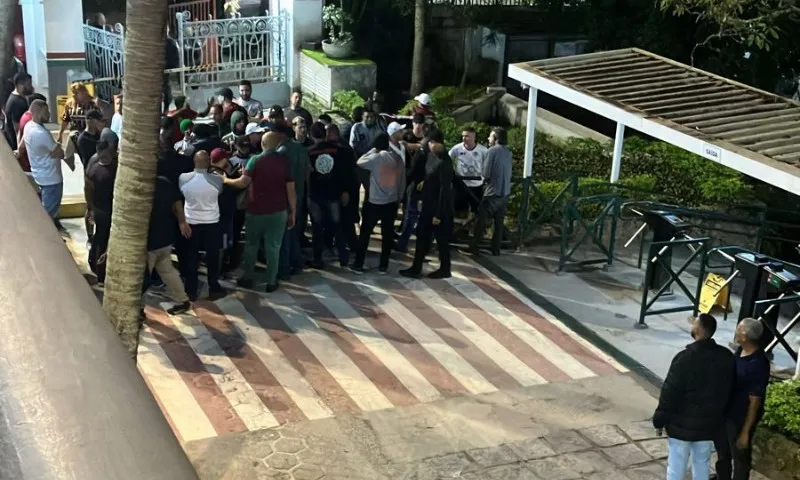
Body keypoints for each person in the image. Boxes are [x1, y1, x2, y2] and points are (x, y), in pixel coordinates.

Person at [652, 313, 735, 480]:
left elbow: (670, 394)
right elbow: (729, 390)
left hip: (680, 426)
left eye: (694, 323)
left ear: (698, 329)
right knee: (701, 464)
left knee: (676, 466)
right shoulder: (726, 357)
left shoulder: (684, 359)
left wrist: (659, 420)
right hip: (709, 425)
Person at [224, 132, 297, 292]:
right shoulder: (284, 161)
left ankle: (248, 277)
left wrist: (225, 180)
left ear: (263, 144)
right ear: (275, 145)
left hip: (255, 211)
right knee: (273, 247)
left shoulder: (254, 160)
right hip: (278, 212)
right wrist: (293, 212)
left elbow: (243, 182)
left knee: (251, 245)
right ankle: (271, 281)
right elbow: (290, 189)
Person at [713, 318, 771, 480]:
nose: (736, 331)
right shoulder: (740, 351)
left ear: (745, 336)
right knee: (722, 451)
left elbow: (755, 401)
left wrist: (745, 432)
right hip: (727, 410)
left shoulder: (758, 364)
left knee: (739, 456)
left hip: (740, 417)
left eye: (738, 329)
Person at [351, 133, 405, 274]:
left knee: (365, 234)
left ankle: (358, 264)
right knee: (387, 235)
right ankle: (383, 265)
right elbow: (402, 181)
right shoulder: (398, 159)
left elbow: (359, 162)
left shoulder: (375, 158)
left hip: (374, 201)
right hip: (391, 201)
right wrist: (399, 198)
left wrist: (373, 150)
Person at [146, 158, 193, 315]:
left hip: (149, 241)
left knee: (141, 278)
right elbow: (177, 203)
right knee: (168, 271)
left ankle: (137, 309)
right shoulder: (166, 183)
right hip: (166, 238)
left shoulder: (143, 187)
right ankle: (182, 300)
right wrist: (182, 222)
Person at [179, 150, 226, 301]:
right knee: (212, 257)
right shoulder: (216, 180)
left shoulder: (183, 178)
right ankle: (214, 287)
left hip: (191, 222)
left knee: (192, 257)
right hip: (211, 222)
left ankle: (191, 289)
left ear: (194, 161)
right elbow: (219, 192)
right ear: (208, 162)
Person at [307, 122, 355, 269]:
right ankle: (343, 256)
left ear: (312, 135)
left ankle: (318, 259)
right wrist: (344, 190)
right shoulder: (337, 150)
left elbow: (307, 173)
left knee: (317, 227)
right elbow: (343, 172)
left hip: (315, 194)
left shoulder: (308, 152)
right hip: (333, 192)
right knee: (336, 225)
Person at [23, 100, 73, 224]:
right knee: (48, 216)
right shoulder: (40, 133)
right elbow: (60, 153)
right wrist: (58, 145)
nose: (49, 114)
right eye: (46, 111)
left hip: (40, 175)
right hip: (51, 179)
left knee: (46, 212)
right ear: (38, 111)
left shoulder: (29, 126)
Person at [470, 127, 512, 256]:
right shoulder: (508, 152)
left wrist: (484, 181)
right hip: (505, 191)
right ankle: (495, 248)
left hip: (493, 191)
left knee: (481, 219)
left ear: (496, 138)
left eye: (490, 136)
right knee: (498, 223)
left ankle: (475, 247)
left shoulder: (492, 151)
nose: (488, 138)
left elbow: (486, 172)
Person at [84, 128, 119, 282]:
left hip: (111, 207)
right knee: (102, 239)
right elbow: (88, 189)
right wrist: (90, 208)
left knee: (103, 238)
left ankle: (98, 267)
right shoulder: (98, 167)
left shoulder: (112, 163)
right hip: (102, 209)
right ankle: (100, 270)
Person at [276, 123, 309, 279]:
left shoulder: (281, 151)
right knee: (295, 231)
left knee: (284, 235)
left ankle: (286, 266)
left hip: (285, 196)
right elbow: (309, 172)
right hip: (300, 194)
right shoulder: (302, 149)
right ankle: (297, 263)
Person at [327, 123, 359, 250]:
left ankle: (352, 247)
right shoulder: (342, 147)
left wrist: (345, 190)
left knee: (345, 221)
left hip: (345, 189)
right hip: (342, 188)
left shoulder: (342, 149)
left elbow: (347, 172)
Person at [449, 127, 488, 214]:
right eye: (463, 136)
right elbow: (447, 159)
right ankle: (461, 226)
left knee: (477, 210)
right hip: (461, 184)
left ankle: (475, 225)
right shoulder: (457, 148)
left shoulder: (483, 150)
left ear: (474, 137)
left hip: (477, 185)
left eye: (467, 136)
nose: (464, 138)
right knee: (460, 210)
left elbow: (488, 165)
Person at [3, 72, 32, 150]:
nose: (31, 87)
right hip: (17, 144)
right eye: (28, 84)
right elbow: (18, 128)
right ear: (20, 85)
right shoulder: (17, 102)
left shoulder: (16, 97)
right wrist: (20, 149)